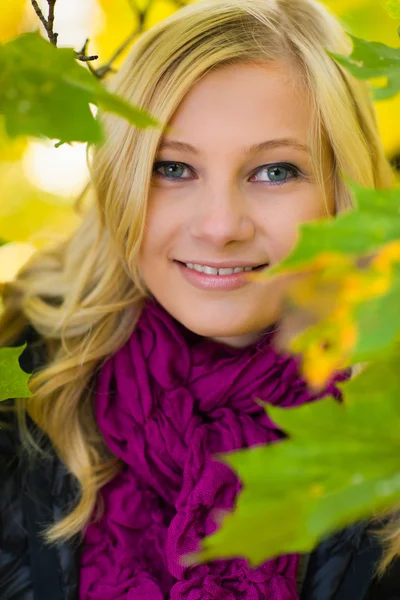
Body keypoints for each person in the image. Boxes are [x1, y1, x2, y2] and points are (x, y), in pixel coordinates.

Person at [0, 0, 397, 598]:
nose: (219, 226)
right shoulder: (21, 385)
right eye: (173, 168)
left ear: (345, 190)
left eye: (275, 172)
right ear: (122, 177)